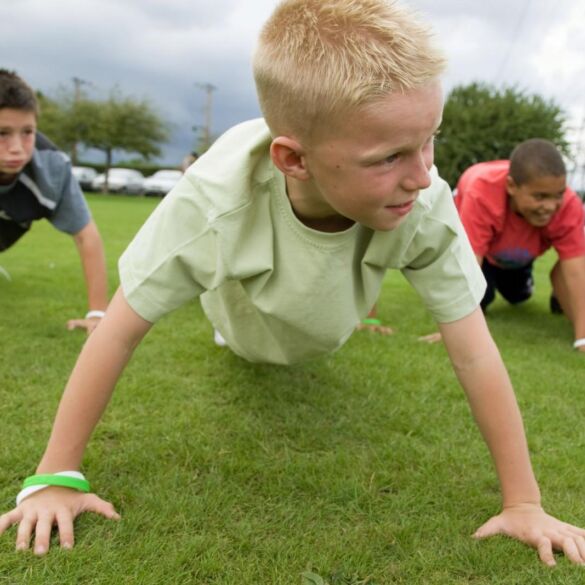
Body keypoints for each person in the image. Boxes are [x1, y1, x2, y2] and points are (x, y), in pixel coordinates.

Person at [1, 0, 584, 565]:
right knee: (249, 337)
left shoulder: (424, 200)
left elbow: (475, 351)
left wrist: (524, 501)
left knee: (324, 318)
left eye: (430, 139)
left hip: (332, 323)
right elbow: (120, 330)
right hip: (240, 316)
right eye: (390, 156)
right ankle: (231, 323)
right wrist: (54, 476)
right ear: (294, 160)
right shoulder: (214, 202)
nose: (423, 174)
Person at [420, 140, 585, 352]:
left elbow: (576, 269)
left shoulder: (569, 204)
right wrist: (453, 330)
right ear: (511, 186)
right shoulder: (481, 192)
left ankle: (554, 295)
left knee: (519, 296)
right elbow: (469, 262)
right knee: (482, 299)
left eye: (558, 195)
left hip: (519, 259)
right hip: (484, 256)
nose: (551, 206)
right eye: (540, 197)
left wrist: (582, 338)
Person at [0, 69, 108, 333]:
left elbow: (87, 236)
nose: (16, 147)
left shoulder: (52, 169)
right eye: (2, 133)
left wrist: (97, 314)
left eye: (27, 132)